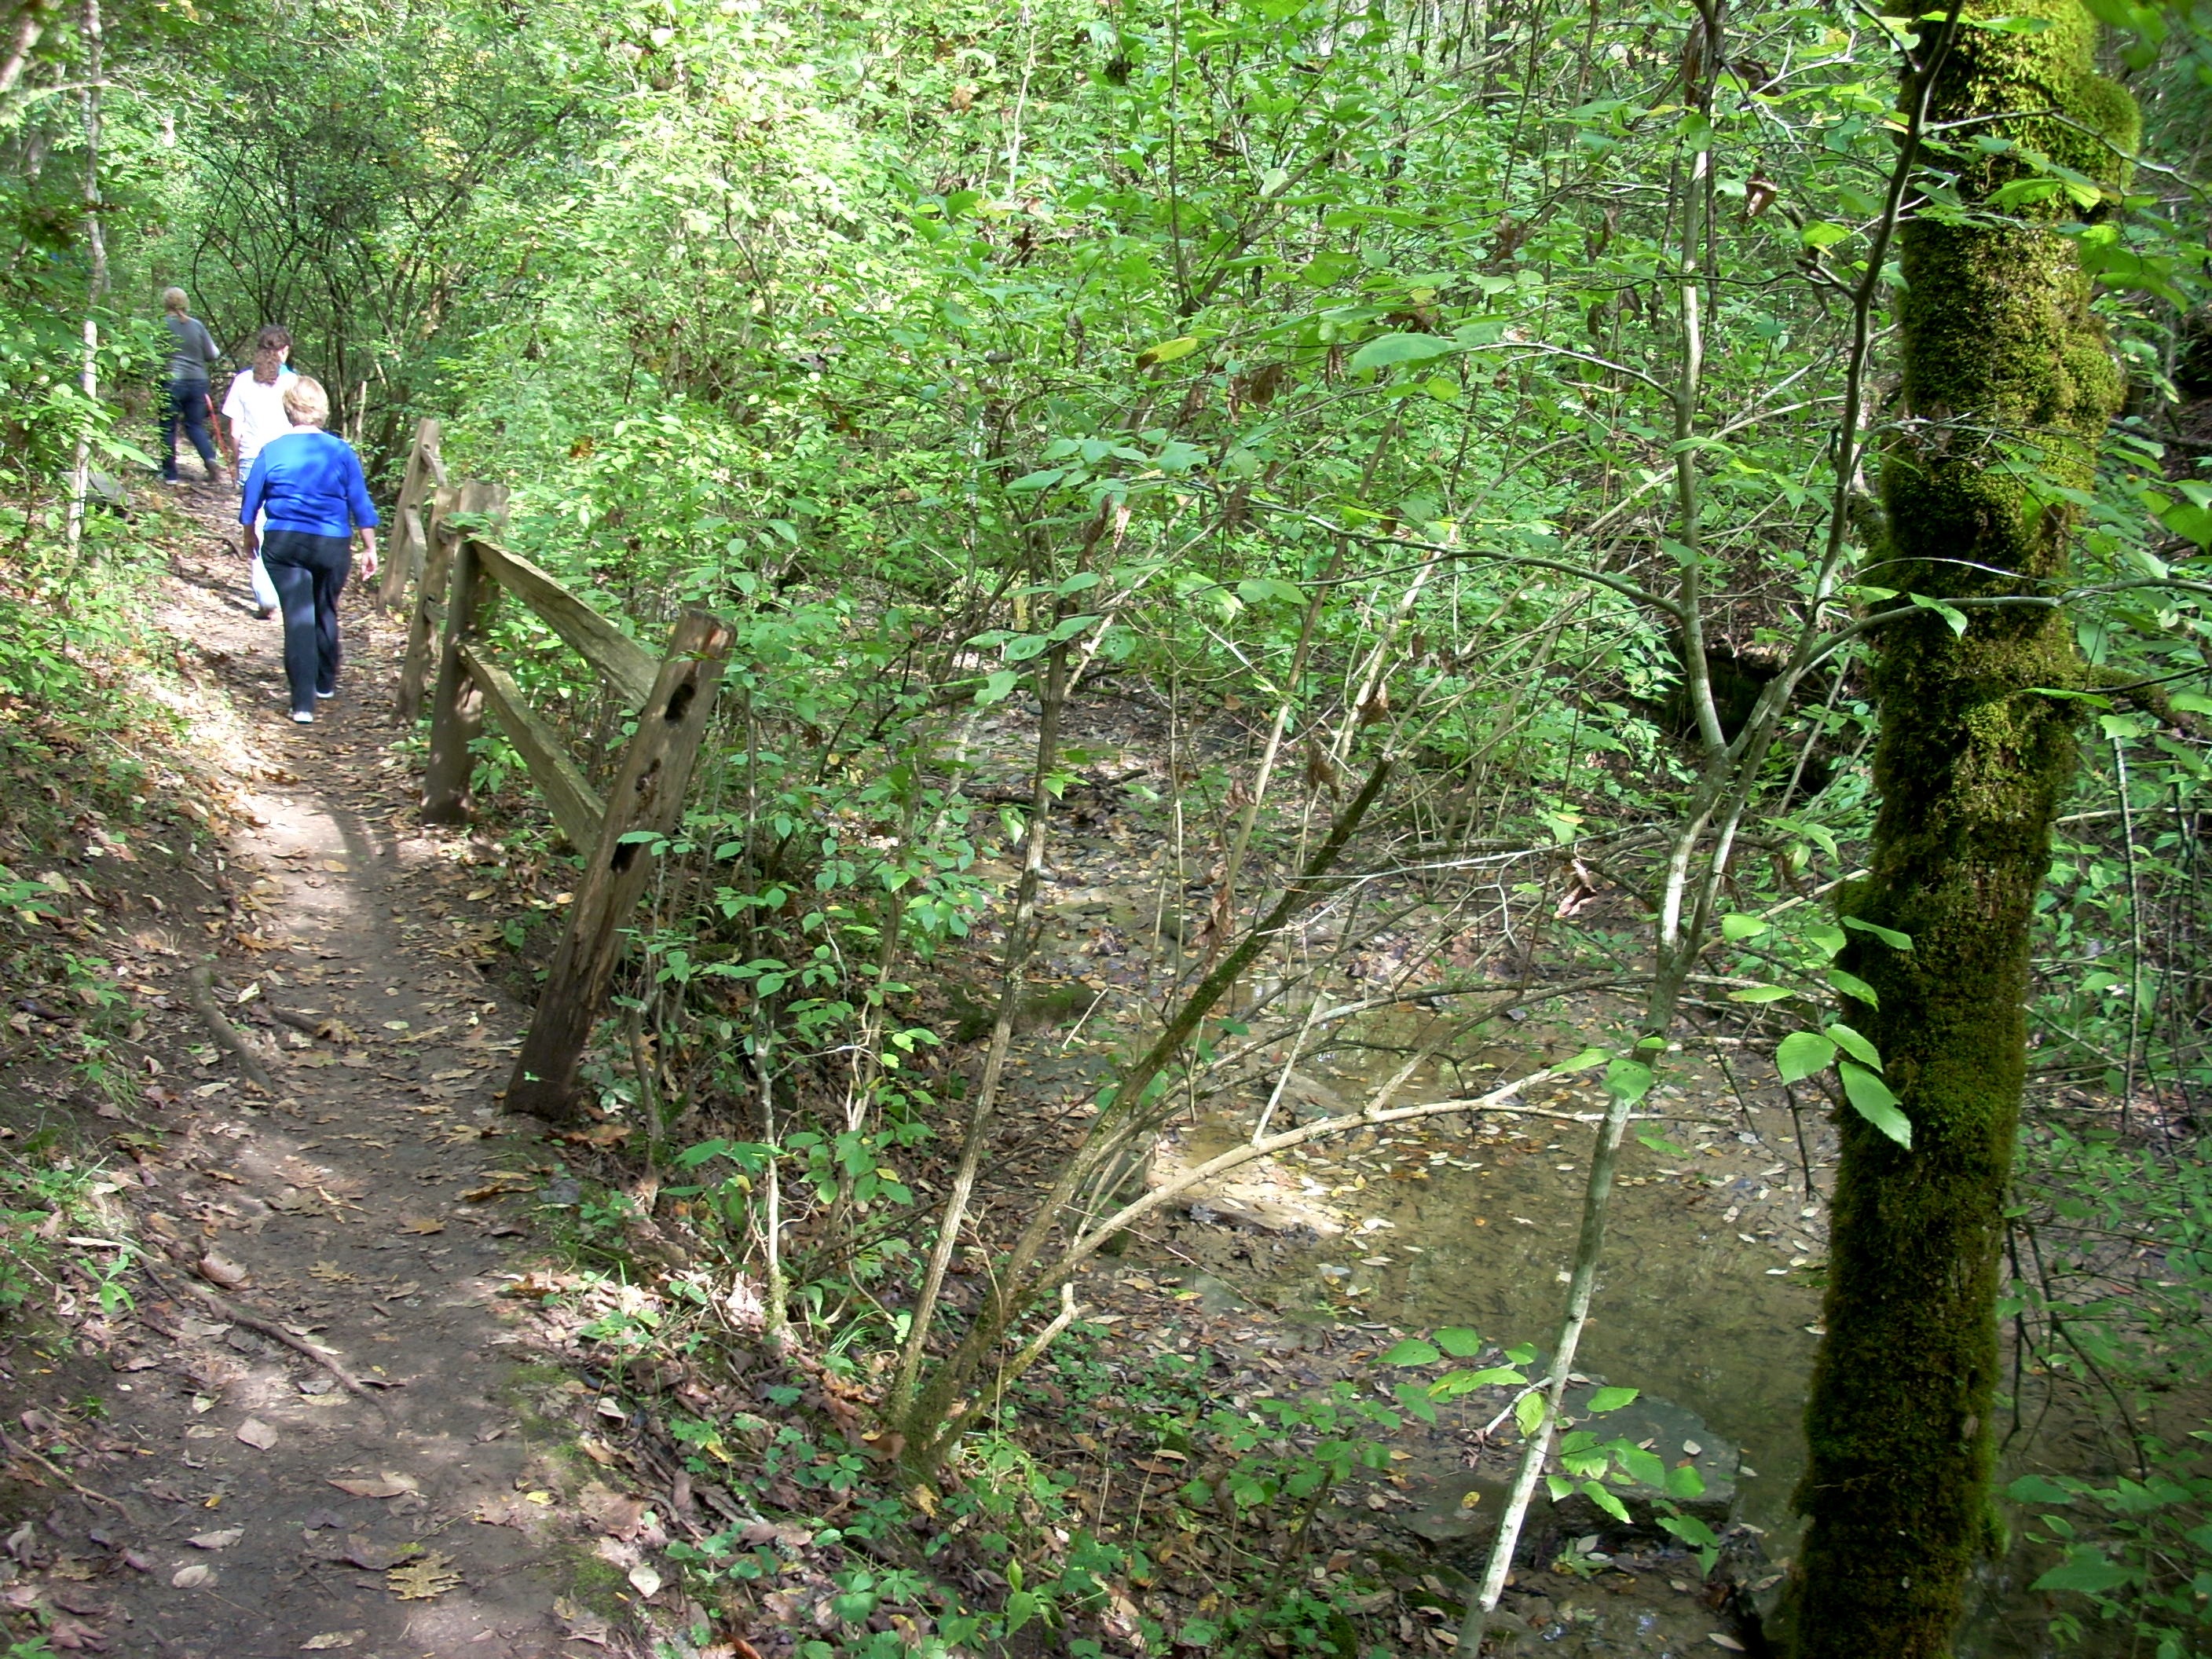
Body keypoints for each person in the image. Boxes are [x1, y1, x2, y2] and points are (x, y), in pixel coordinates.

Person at [239, 378, 379, 725]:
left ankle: (302, 704)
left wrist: (247, 535)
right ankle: (325, 682)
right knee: (325, 608)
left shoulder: (272, 450)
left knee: (298, 619)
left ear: (288, 411)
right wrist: (370, 546)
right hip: (331, 543)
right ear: (321, 411)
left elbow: (250, 499)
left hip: (284, 542)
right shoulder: (341, 451)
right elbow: (360, 501)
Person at [220, 326, 298, 618]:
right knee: (284, 525)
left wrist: (238, 459)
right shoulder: (296, 384)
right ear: (286, 351)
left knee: (256, 526)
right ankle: (280, 590)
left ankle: (266, 596)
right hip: (288, 462)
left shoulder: (242, 381)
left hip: (253, 460)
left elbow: (235, 430)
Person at [157, 287, 225, 485]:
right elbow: (213, 354)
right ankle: (210, 458)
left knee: (168, 427)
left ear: (166, 304)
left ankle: (170, 474)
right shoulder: (197, 326)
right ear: (185, 303)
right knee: (194, 425)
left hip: (171, 381)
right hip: (198, 381)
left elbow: (153, 355)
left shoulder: (161, 326)